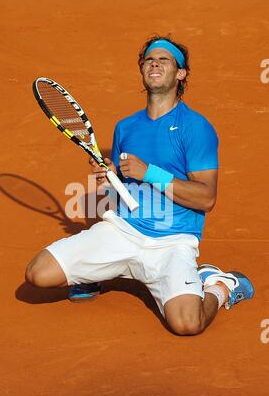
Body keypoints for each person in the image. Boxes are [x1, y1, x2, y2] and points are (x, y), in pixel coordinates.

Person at [25, 34, 254, 335]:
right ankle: (94, 273)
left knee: (187, 324)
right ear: (143, 70)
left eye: (165, 59)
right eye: (149, 59)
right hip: (122, 232)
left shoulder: (196, 128)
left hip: (172, 242)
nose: (155, 63)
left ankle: (219, 284)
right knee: (37, 274)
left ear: (181, 73)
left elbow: (206, 198)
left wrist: (150, 173)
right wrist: (110, 176)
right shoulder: (127, 126)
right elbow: (119, 190)